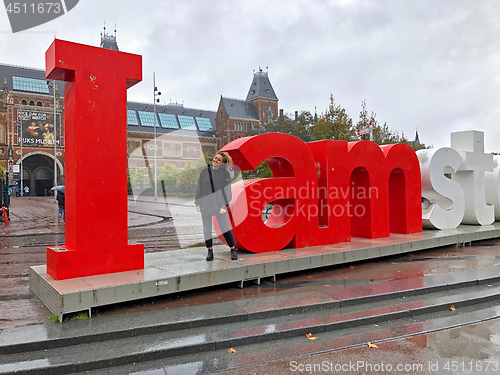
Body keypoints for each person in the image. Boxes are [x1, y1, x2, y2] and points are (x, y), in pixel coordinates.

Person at [195, 152, 237, 261]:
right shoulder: (205, 171)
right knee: (207, 229)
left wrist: (224, 205)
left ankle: (233, 249)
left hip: (219, 206)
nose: (215, 160)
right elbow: (199, 187)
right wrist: (198, 203)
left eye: (218, 160)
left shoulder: (225, 174)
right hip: (206, 204)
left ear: (222, 163)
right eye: (215, 158)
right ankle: (209, 251)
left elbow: (227, 191)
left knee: (224, 228)